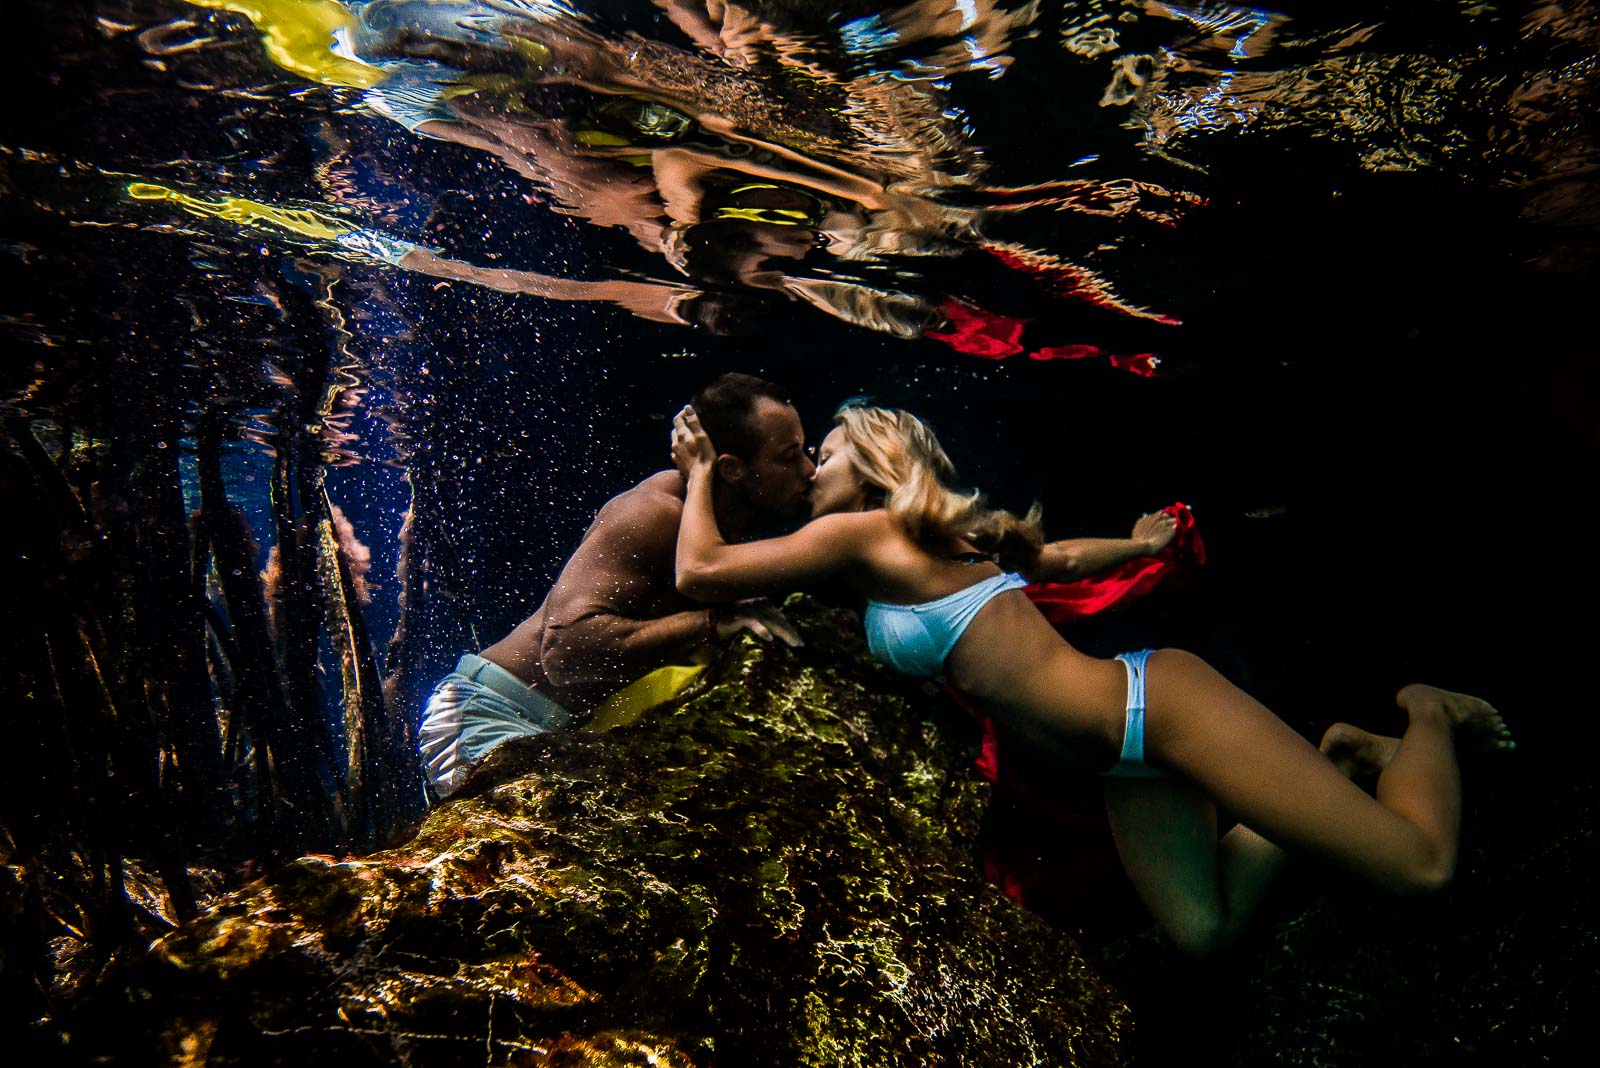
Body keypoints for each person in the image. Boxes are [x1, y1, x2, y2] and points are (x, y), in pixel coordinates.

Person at [669, 402, 1514, 956]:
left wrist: (703, 469)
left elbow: (701, 570)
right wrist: (1138, 548)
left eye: (824, 452)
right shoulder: (927, 541)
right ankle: (1338, 759)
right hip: (1123, 760)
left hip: (1160, 706)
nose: (811, 468)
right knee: (1203, 935)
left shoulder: (861, 534)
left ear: (876, 455)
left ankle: (1426, 709)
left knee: (1420, 868)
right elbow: (1056, 556)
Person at [416, 373, 815, 799]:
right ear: (733, 469)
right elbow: (563, 653)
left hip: (558, 733)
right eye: (789, 458)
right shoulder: (656, 512)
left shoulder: (720, 534)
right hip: (489, 713)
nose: (809, 471)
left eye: (807, 452)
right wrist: (711, 623)